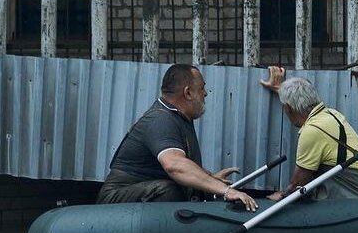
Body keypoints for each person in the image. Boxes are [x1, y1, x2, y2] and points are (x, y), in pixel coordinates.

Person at [97, 63, 258, 211]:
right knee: (168, 191)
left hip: (140, 196)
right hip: (113, 202)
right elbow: (174, 164)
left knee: (193, 188)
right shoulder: (160, 119)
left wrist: (209, 178)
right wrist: (226, 191)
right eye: (202, 88)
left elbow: (182, 164)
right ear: (188, 92)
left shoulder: (179, 117)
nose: (206, 94)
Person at [260, 67, 358, 200]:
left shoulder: (312, 130)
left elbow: (299, 184)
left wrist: (281, 196)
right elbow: (297, 99)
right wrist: (280, 88)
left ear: (287, 108)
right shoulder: (331, 114)